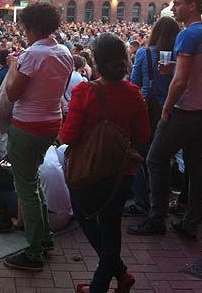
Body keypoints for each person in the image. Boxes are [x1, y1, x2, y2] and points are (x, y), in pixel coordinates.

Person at [128, 0, 202, 240]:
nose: (173, 8)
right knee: (196, 166)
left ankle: (156, 218)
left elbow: (179, 82)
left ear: (192, 6)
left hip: (184, 110)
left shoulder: (188, 35)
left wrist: (166, 111)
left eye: (178, 3)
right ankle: (191, 222)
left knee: (155, 159)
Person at [61, 33, 150, 293]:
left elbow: (68, 135)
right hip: (121, 171)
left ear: (96, 62)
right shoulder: (133, 93)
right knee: (111, 225)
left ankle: (101, 284)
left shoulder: (85, 91)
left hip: (88, 171)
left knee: (84, 215)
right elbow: (143, 135)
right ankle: (120, 273)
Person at [3, 3, 73, 272]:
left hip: (27, 126)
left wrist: (12, 66)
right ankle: (45, 238)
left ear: (30, 27)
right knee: (33, 182)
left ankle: (33, 252)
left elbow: (12, 93)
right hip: (51, 123)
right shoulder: (65, 52)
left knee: (27, 188)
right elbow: (60, 88)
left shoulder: (32, 54)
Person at [127, 17, 180, 215]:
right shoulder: (181, 56)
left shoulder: (145, 53)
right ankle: (161, 198)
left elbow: (135, 84)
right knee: (164, 157)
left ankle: (142, 202)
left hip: (148, 111)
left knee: (140, 156)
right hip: (173, 111)